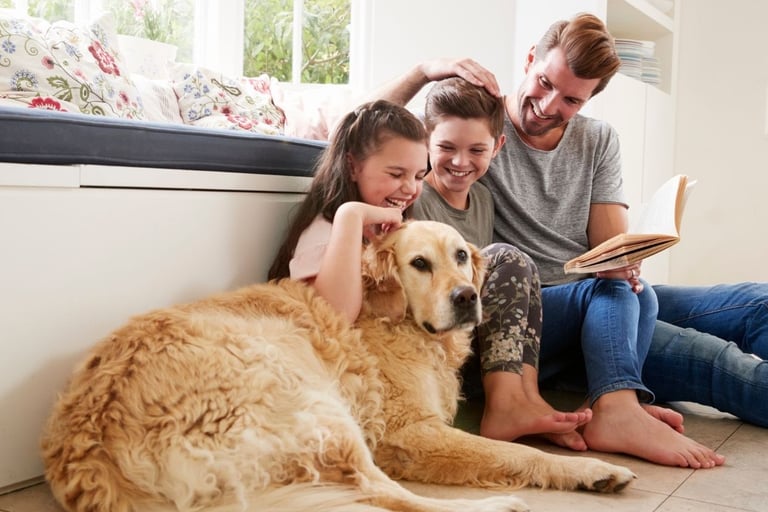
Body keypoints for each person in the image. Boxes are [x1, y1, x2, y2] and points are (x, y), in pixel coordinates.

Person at [373, 13, 736, 469]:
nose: (546, 105)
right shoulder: (430, 168)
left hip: (562, 306)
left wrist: (625, 258)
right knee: (715, 360)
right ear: (529, 60)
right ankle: (616, 408)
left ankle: (614, 401)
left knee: (648, 298)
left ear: (495, 149)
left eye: (569, 99)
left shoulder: (486, 190)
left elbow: (606, 244)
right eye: (544, 82)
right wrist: (426, 69)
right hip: (510, 315)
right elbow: (366, 128)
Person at [412, 76, 592, 450]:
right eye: (446, 147)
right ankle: (505, 404)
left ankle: (525, 397)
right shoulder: (417, 202)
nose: (461, 162)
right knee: (505, 256)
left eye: (477, 150)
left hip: (478, 339)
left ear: (498, 147)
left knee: (522, 267)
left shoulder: (482, 199)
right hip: (443, 345)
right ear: (425, 140)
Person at [268, 100, 428, 325]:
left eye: (419, 176)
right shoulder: (325, 236)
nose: (411, 188)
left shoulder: (386, 229)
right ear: (352, 167)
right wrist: (352, 215)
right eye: (396, 174)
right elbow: (335, 319)